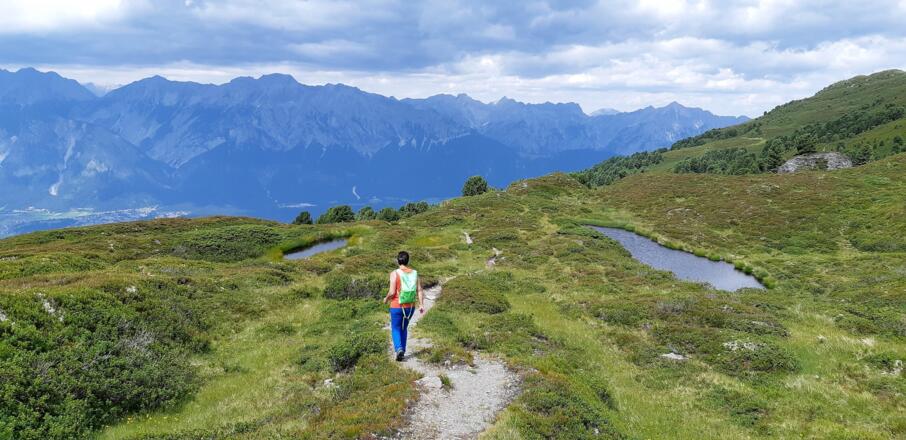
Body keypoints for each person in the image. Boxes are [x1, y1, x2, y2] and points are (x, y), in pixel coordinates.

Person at [382, 250, 425, 361]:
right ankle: (403, 351)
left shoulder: (394, 273)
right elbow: (419, 290)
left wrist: (386, 299)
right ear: (407, 260)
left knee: (395, 328)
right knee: (404, 328)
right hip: (410, 307)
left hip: (397, 306)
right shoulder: (415, 273)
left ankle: (399, 349)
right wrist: (421, 304)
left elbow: (392, 292)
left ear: (398, 260)